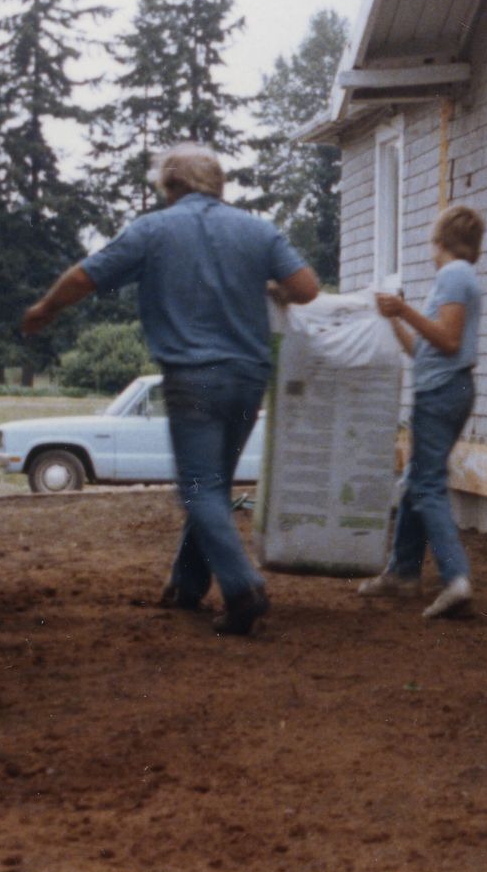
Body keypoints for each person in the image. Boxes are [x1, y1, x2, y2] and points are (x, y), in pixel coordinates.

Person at [19, 144, 320, 636]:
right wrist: (271, 289)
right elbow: (306, 288)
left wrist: (45, 309)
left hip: (193, 375)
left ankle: (243, 588)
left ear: (171, 185)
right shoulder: (257, 230)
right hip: (248, 376)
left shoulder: (154, 230)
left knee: (198, 488)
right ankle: (186, 584)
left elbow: (85, 276)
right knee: (213, 486)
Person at [360, 203, 484, 619]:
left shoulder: (453, 275)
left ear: (441, 241)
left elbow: (447, 341)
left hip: (442, 391)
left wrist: (403, 310)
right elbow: (423, 350)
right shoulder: (459, 278)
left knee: (427, 485)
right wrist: (394, 319)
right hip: (448, 386)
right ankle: (402, 572)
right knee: (416, 479)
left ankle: (456, 578)